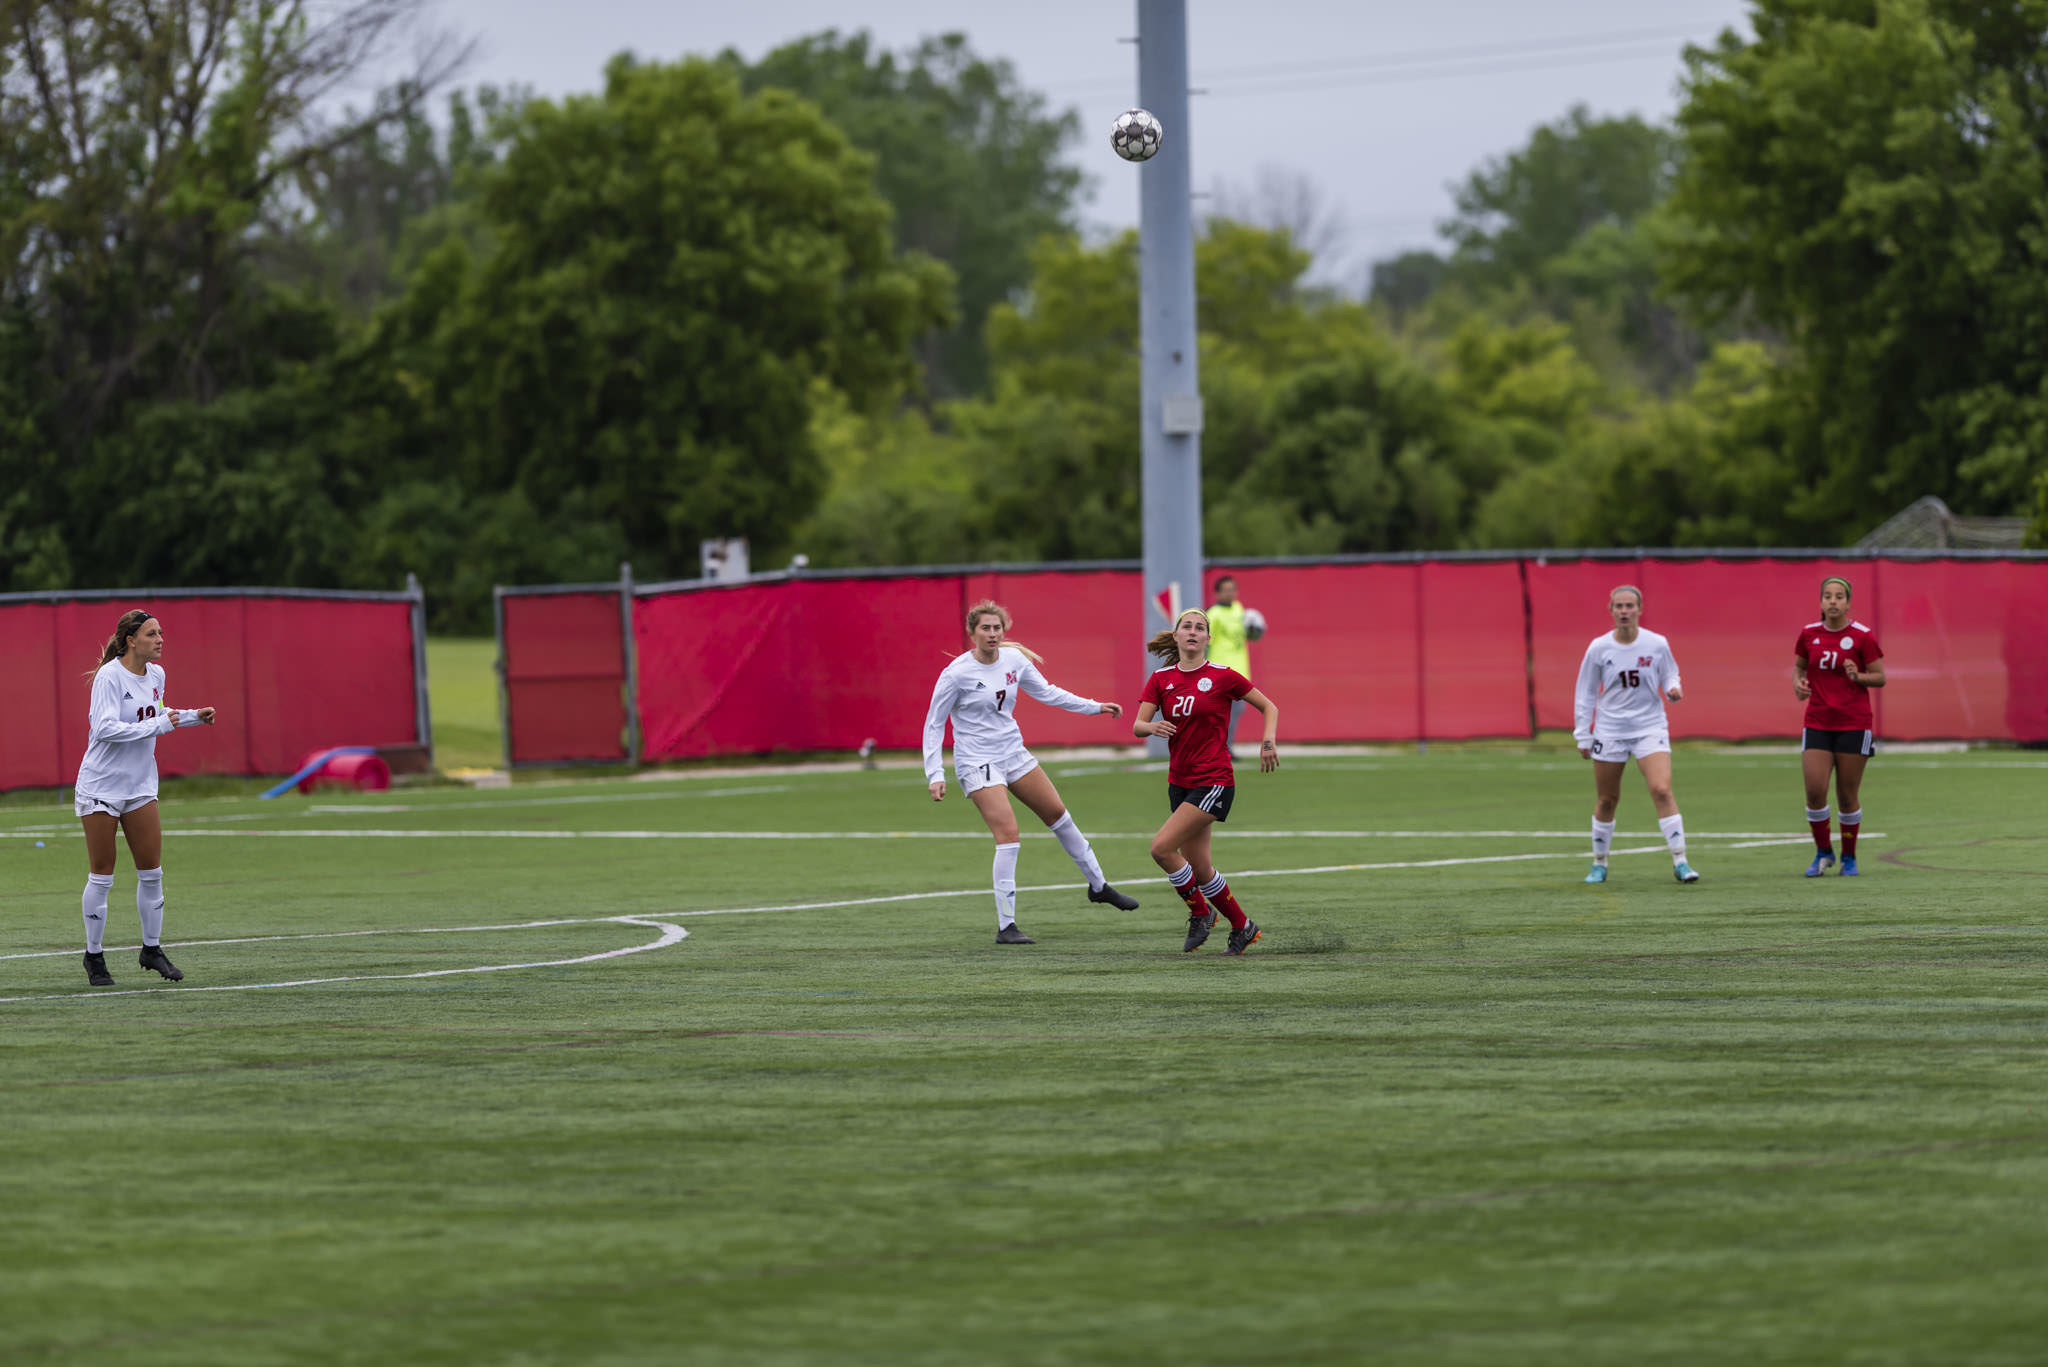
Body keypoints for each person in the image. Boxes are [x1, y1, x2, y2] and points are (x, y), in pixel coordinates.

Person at [923, 600, 1141, 945]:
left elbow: (1048, 693)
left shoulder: (1014, 660)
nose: (992, 634)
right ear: (972, 632)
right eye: (985, 628)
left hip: (1013, 753)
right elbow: (934, 725)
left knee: (1059, 816)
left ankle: (1099, 887)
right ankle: (1006, 926)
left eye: (997, 628)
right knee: (1008, 835)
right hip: (977, 760)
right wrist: (935, 774)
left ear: (1003, 630)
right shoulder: (957, 674)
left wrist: (1094, 707)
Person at [74, 609, 216, 986]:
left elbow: (157, 713)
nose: (160, 639)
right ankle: (94, 957)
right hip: (101, 786)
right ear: (130, 639)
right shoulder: (109, 676)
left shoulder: (156, 675)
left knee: (152, 872)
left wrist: (191, 716)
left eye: (161, 633)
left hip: (139, 786)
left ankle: (151, 950)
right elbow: (104, 728)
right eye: (152, 634)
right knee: (102, 875)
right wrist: (158, 725)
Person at [1132, 608, 1280, 955]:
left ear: (1208, 639)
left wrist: (1268, 741)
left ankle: (1200, 912)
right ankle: (1243, 927)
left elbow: (1269, 707)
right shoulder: (1161, 679)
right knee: (1200, 868)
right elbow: (1138, 725)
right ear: (1177, 635)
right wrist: (1152, 727)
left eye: (1200, 628)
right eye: (1188, 627)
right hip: (1179, 781)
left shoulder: (1223, 676)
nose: (1194, 632)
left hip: (1214, 779)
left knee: (1161, 848)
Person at [1573, 585, 1699, 885]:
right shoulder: (1599, 648)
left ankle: (1681, 861)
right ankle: (1599, 864)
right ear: (1611, 610)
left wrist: (1673, 687)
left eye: (1630, 606)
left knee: (1662, 790)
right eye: (1619, 606)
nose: (1625, 611)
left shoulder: (1656, 643)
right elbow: (1586, 692)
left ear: (1640, 609)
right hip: (1610, 730)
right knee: (1607, 799)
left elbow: (1670, 672)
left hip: (1649, 727)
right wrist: (1583, 734)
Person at [1794, 576, 1886, 877]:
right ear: (1820, 602)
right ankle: (1823, 853)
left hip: (1854, 723)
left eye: (1839, 597)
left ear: (1848, 602)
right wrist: (1798, 684)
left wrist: (1857, 676)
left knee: (1847, 795)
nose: (1833, 601)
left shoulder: (1862, 636)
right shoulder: (1809, 634)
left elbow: (1880, 677)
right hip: (1818, 721)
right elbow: (1799, 667)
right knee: (1815, 790)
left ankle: (1849, 857)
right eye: (1828, 596)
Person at [1206, 575, 1265, 745]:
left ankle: (1225, 746)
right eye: (1226, 590)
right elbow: (1205, 641)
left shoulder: (1239, 609)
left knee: (1236, 710)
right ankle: (1220, 746)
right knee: (1221, 712)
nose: (1230, 593)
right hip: (1220, 669)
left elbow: (1248, 636)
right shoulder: (1213, 614)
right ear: (1217, 593)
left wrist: (1254, 631)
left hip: (1240, 669)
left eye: (1232, 589)